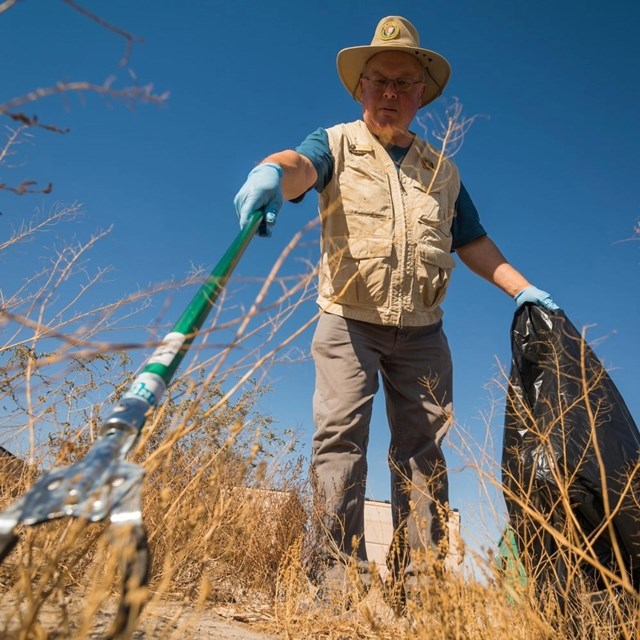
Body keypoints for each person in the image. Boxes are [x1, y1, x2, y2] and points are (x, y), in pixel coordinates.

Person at [233, 15, 558, 593]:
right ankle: (337, 576)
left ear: (420, 95)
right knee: (340, 439)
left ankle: (423, 583)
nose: (389, 92)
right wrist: (270, 171)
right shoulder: (334, 142)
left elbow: (473, 241)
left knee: (423, 452)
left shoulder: (443, 170)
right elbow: (299, 167)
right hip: (347, 322)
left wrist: (522, 289)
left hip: (424, 333)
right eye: (378, 80)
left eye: (402, 84)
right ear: (360, 88)